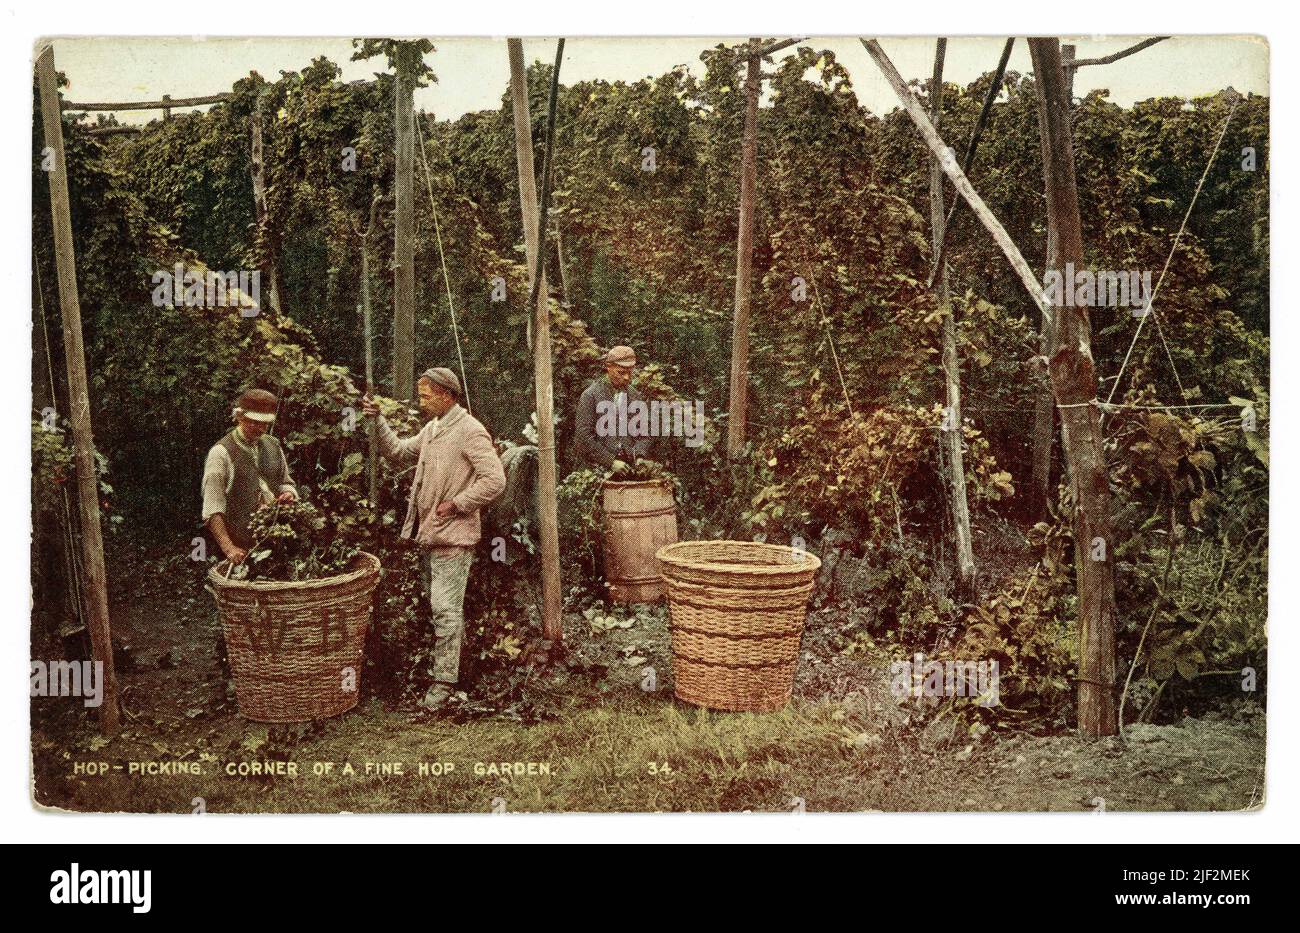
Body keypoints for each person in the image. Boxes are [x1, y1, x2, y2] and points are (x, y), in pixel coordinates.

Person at [361, 368, 505, 711]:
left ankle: (444, 685)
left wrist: (457, 504)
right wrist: (378, 420)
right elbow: (397, 452)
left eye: (426, 396)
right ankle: (460, 672)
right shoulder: (434, 428)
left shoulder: (470, 431)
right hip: (430, 535)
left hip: (453, 536)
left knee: (444, 608)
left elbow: (495, 479)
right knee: (443, 608)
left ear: (447, 395)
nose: (422, 401)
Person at [202, 388, 298, 565]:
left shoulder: (273, 445)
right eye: (255, 423)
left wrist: (289, 494)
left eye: (265, 424)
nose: (261, 429)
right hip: (240, 549)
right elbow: (212, 509)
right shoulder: (221, 453)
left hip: (275, 539)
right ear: (239, 417)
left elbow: (286, 482)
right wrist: (229, 548)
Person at [574, 345, 651, 469]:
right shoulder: (590, 395)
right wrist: (610, 461)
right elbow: (583, 438)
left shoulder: (635, 396)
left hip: (628, 468)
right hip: (596, 469)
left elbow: (644, 434)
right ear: (608, 367)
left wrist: (640, 456)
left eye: (630, 372)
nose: (626, 377)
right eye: (621, 372)